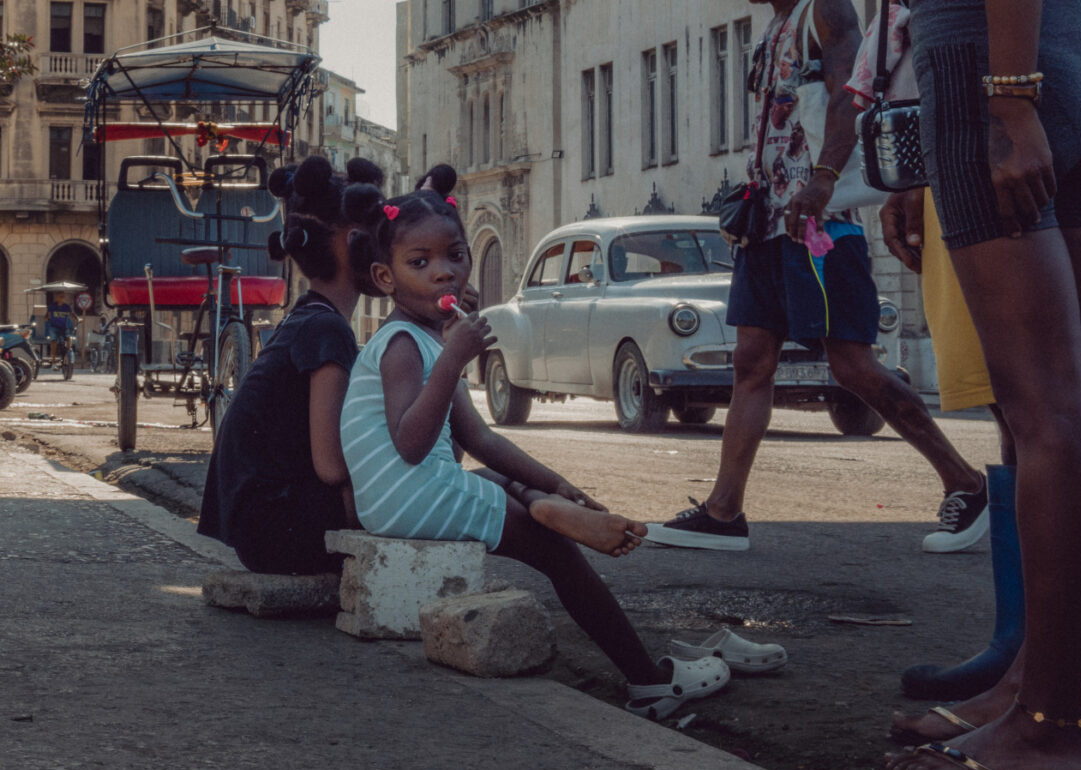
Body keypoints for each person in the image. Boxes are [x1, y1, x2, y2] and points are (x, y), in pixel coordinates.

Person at [871, 0, 1081, 770]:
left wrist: (1012, 98)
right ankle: (1034, 686)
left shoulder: (998, 79)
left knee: (1046, 415)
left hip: (991, 67)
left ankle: (1051, 725)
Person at [337, 184, 731, 719]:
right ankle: (649, 683)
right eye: (420, 262)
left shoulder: (427, 338)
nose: (444, 272)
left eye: (455, 255)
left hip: (403, 496)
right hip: (411, 494)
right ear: (386, 278)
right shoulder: (403, 345)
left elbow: (480, 439)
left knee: (502, 484)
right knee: (557, 554)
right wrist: (454, 358)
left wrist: (556, 482)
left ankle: (545, 503)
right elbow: (410, 446)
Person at [646, 0, 988, 555]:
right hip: (768, 224)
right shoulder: (776, 25)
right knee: (751, 363)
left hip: (820, 224)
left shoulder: (823, 11)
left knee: (852, 366)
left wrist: (824, 179)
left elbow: (848, 96)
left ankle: (967, 483)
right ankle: (723, 512)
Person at [198, 155, 392, 575]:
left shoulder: (311, 318)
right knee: (409, 497)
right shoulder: (326, 330)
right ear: (351, 240)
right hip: (276, 530)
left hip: (265, 527)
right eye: (380, 233)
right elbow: (333, 466)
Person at [45, 291, 76, 364]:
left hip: (64, 327)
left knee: (68, 338)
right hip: (54, 327)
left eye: (62, 297)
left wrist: (77, 319)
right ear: (57, 298)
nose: (61, 298)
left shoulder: (66, 307)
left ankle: (68, 354)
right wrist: (47, 318)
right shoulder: (52, 306)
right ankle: (53, 358)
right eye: (60, 297)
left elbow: (72, 315)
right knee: (54, 340)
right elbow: (47, 316)